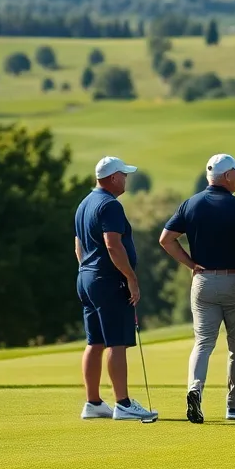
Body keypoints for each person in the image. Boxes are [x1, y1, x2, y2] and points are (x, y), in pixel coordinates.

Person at [160, 154, 235, 424]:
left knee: (203, 342)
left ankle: (194, 389)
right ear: (227, 176)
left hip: (203, 282)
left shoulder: (190, 204)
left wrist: (191, 264)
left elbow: (166, 239)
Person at [74, 156, 157, 422]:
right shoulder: (110, 205)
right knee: (116, 342)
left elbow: (78, 246)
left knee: (95, 342)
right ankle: (123, 403)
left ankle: (93, 403)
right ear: (112, 178)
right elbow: (113, 244)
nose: (126, 179)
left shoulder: (85, 203)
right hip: (109, 280)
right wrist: (130, 277)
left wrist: (88, 270)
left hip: (87, 278)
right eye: (123, 175)